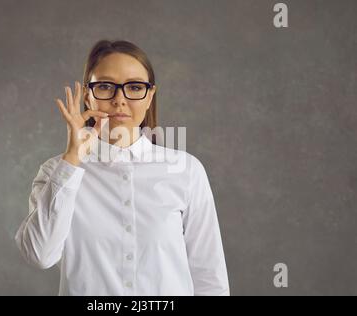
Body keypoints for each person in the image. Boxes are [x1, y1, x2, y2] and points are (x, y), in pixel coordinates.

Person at [15, 39, 230, 296]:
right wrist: (72, 159)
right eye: (105, 86)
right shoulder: (56, 172)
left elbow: (209, 277)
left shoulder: (186, 170)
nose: (119, 100)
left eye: (135, 87)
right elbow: (40, 255)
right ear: (88, 95)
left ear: (150, 96)